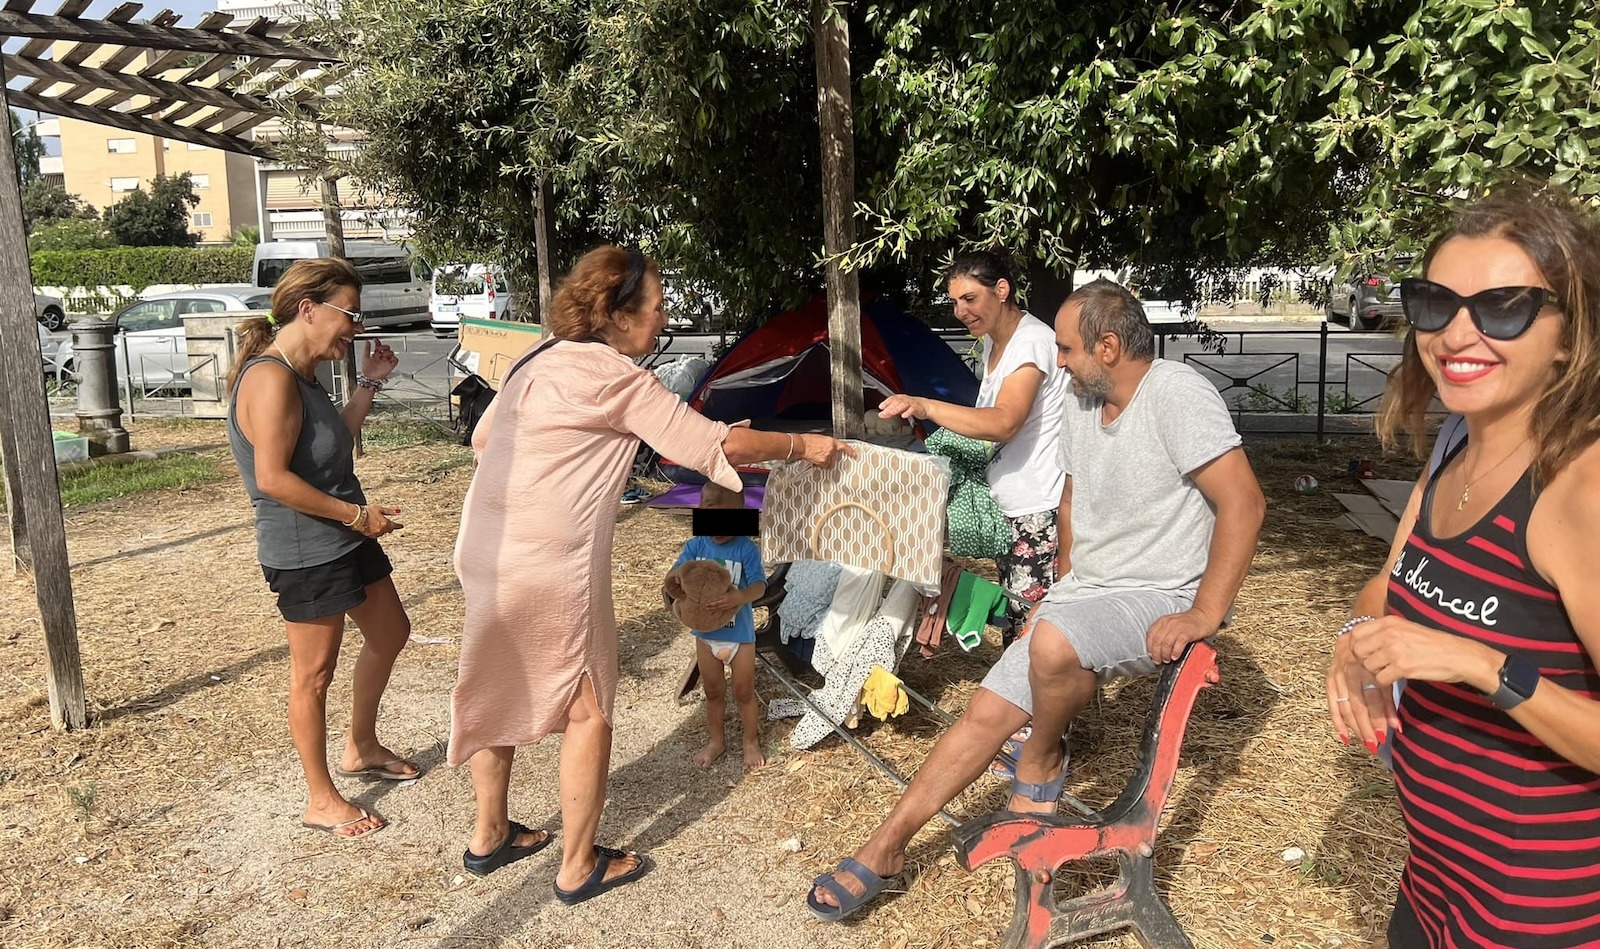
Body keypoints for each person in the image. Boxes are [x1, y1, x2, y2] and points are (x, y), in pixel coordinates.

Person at [808, 278, 1265, 921]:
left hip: (1160, 594)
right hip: (1089, 591)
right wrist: (1063, 585)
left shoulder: (1177, 394)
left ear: (1108, 347)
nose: (1058, 360)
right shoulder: (1082, 402)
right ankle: (885, 848)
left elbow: (1244, 502)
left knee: (1050, 644)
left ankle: (1043, 759)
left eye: (1068, 348)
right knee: (985, 709)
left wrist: (1202, 613)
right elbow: (1072, 498)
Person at [448, 246, 852, 899]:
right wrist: (805, 445)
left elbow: (483, 440)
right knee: (586, 708)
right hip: (552, 565)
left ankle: (488, 834)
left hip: (487, 551)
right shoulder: (616, 378)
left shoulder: (540, 358)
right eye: (657, 308)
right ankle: (578, 864)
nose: (663, 321)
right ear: (616, 312)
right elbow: (712, 445)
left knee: (498, 687)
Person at [1326, 186, 1600, 948]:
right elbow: (1388, 585)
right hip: (1437, 879)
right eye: (1436, 302)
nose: (1457, 332)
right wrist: (1356, 641)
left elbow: (1470, 654)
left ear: (1569, 339)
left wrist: (1484, 664)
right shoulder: (1457, 448)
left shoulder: (1579, 487)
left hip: (1539, 907)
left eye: (1504, 307)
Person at [226, 258, 417, 841]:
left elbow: (334, 441)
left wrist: (370, 382)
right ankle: (320, 797)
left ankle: (360, 747)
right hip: (306, 547)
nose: (355, 328)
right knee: (313, 676)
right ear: (308, 309)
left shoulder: (302, 374)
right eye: (349, 314)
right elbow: (273, 479)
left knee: (391, 632)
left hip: (342, 534)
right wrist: (357, 515)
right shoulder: (271, 378)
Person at [877, 251, 1070, 642]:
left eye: (969, 299)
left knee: (1035, 636)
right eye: (954, 302)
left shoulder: (1031, 342)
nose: (960, 311)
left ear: (1002, 290)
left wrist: (927, 405)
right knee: (1017, 623)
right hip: (1014, 507)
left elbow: (1003, 421)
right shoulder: (996, 344)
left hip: (1038, 510)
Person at [665, 481, 768, 771]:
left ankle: (750, 741)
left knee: (744, 691)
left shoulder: (746, 549)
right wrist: (674, 581)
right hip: (706, 637)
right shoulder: (696, 546)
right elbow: (677, 576)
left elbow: (760, 586)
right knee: (713, 692)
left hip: (740, 638)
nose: (719, 530)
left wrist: (740, 596)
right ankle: (716, 741)